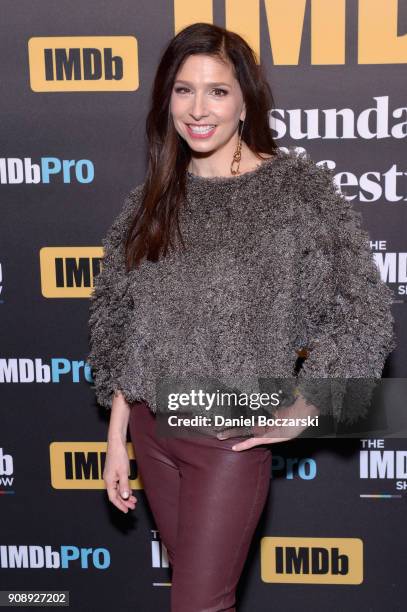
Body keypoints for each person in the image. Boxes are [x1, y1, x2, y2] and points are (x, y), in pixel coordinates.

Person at [87, 22, 396, 612]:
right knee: (196, 596)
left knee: (198, 603)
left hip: (227, 439)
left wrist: (307, 406)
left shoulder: (293, 193)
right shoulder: (152, 197)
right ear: (165, 99)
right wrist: (118, 434)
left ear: (246, 101)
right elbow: (122, 318)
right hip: (153, 431)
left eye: (218, 91)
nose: (198, 109)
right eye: (183, 90)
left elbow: (364, 314)